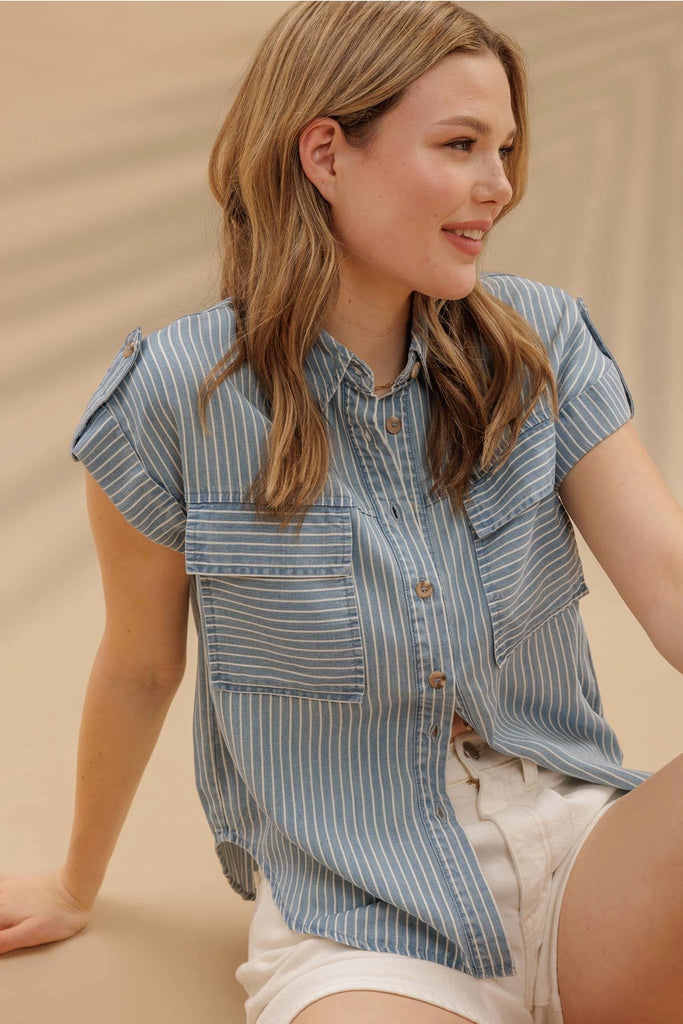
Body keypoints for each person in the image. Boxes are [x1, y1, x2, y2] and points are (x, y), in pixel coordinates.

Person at [0, 2, 681, 1022]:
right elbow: (139, 665)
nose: (498, 184)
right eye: (459, 145)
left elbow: (668, 584)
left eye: (502, 148)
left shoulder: (542, 345)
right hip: (360, 918)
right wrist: (73, 881)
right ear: (326, 153)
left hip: (590, 860)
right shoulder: (172, 396)